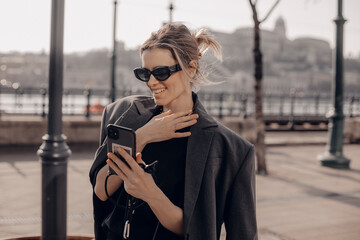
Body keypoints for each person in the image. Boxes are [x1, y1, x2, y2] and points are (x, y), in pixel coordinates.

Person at [89, 23, 257, 240]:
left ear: (191, 68)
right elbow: (101, 191)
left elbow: (199, 228)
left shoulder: (231, 150)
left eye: (161, 72)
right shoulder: (122, 115)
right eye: (145, 73)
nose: (151, 82)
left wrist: (150, 193)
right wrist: (142, 137)